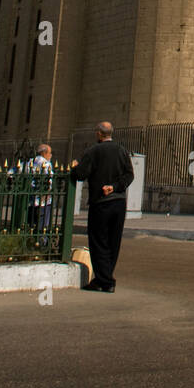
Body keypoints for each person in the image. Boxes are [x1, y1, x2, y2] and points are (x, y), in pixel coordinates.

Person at [69, 123, 134, 292]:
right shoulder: (122, 151)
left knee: (99, 242)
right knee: (113, 242)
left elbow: (81, 174)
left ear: (99, 134)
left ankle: (105, 281)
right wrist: (115, 186)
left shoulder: (93, 151)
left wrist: (74, 167)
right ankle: (104, 279)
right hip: (119, 202)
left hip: (101, 203)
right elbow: (130, 175)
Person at [25, 143, 53, 239]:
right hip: (43, 200)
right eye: (50, 153)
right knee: (42, 226)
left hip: (31, 199)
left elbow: (13, 172)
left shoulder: (30, 162)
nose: (51, 155)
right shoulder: (46, 164)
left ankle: (30, 241)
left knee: (31, 224)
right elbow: (49, 179)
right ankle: (41, 244)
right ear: (44, 153)